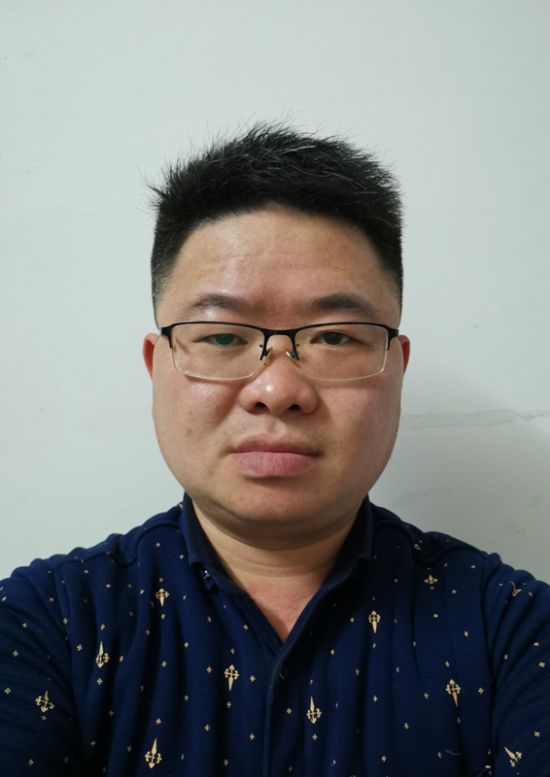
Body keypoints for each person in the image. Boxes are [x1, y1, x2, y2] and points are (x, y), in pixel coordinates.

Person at [0, 124, 549, 777]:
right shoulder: (41, 624)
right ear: (158, 366)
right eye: (223, 336)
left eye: (335, 337)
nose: (278, 389)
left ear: (396, 369)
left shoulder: (515, 631)